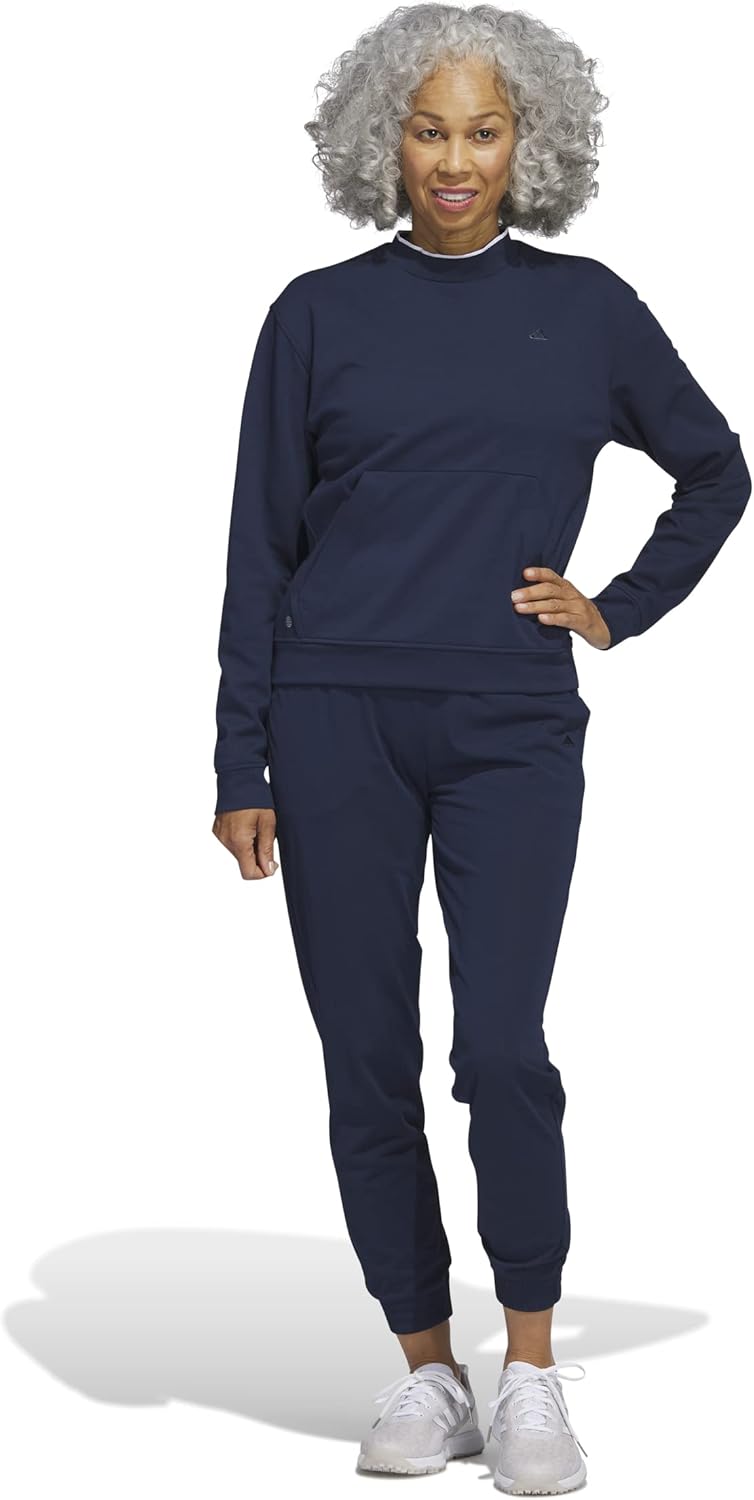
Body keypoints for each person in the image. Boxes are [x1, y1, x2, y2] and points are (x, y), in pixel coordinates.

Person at [211, 6, 750, 1491]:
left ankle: (528, 1370)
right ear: (381, 138)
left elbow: (716, 468)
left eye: (485, 131)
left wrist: (616, 606)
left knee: (501, 1047)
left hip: (509, 720)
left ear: (532, 145)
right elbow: (258, 548)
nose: (455, 159)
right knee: (365, 1053)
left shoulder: (588, 310)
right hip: (332, 717)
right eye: (428, 129)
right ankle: (424, 1369)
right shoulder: (314, 315)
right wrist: (241, 761)